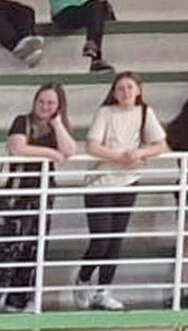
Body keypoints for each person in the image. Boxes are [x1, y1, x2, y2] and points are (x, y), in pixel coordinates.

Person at [0, 81, 76, 315]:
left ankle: (18, 299)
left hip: (45, 193)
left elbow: (69, 151)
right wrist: (49, 153)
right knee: (11, 245)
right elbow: (18, 148)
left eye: (51, 103)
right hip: (21, 192)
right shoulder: (22, 121)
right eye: (41, 101)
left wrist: (56, 123)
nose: (45, 106)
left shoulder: (58, 126)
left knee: (34, 247)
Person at [73, 70, 171, 312]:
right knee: (101, 240)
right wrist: (121, 157)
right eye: (120, 88)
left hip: (128, 183)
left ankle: (103, 290)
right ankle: (83, 278)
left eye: (130, 87)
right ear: (114, 93)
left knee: (115, 240)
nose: (125, 92)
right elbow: (93, 146)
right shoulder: (105, 113)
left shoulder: (146, 113)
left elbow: (161, 145)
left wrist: (140, 153)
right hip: (101, 183)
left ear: (139, 89)